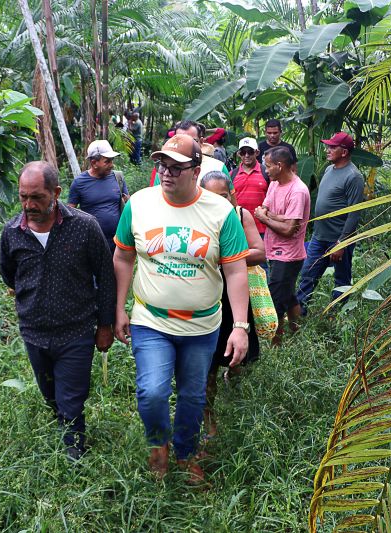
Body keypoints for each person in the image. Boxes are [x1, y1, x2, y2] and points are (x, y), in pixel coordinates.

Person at [113, 134, 250, 484]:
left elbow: (235, 270)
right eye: (163, 165)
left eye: (177, 167)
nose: (167, 173)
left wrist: (239, 326)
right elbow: (123, 256)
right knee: (153, 391)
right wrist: (119, 309)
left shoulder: (221, 212)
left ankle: (186, 453)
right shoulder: (139, 204)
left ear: (196, 170)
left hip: (203, 327)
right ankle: (158, 444)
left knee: (192, 395)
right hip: (151, 320)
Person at [0, 161, 116, 461]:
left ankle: (73, 449)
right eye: (23, 196)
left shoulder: (84, 226)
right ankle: (61, 419)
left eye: (37, 196)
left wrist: (105, 325)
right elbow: (9, 274)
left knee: (72, 396)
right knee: (49, 392)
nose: (29, 204)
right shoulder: (12, 233)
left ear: (56, 192)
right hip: (34, 330)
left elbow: (105, 276)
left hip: (76, 329)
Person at [199, 171, 265, 442]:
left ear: (232, 195)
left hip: (235, 298)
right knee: (208, 366)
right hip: (206, 299)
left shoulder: (240, 215)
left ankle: (237, 391)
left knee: (239, 358)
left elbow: (259, 251)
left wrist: (229, 256)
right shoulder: (196, 218)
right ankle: (209, 421)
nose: (219, 201)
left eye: (223, 196)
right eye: (211, 196)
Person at [294, 132, 365, 321]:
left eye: (332, 147)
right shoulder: (329, 169)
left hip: (339, 239)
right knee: (308, 274)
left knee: (341, 280)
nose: (328, 150)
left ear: (344, 152)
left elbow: (354, 213)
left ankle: (339, 317)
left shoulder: (353, 176)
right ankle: (299, 313)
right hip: (319, 236)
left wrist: (341, 243)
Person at [253, 146, 310, 343]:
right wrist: (276, 218)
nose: (265, 170)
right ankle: (296, 330)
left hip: (288, 254)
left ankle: (275, 342)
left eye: (268, 166)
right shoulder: (275, 184)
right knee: (287, 294)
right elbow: (265, 210)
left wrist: (266, 218)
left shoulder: (298, 191)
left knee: (275, 299)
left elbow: (289, 229)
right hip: (274, 250)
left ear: (280, 165)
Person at [68, 140, 130, 253]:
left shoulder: (118, 177)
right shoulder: (79, 182)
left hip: (117, 242)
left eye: (112, 161)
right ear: (94, 163)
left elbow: (127, 204)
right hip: (91, 243)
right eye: (107, 161)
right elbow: (70, 213)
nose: (112, 165)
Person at [149, 120, 231, 188]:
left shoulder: (218, 167)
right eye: (180, 140)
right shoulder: (164, 168)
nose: (185, 146)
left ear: (201, 141)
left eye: (192, 141)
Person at [230, 137, 269, 236]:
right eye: (243, 152)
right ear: (239, 154)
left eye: (250, 152)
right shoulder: (232, 175)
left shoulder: (267, 173)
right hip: (239, 228)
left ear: (257, 152)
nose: (246, 155)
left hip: (263, 229)